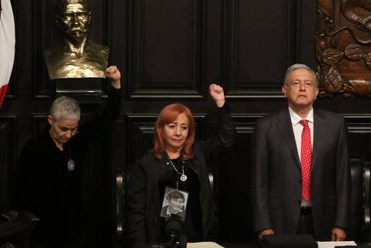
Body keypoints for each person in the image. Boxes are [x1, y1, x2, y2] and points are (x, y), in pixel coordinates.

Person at [12, 66, 121, 248]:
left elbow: (107, 119)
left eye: (73, 129)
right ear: (50, 121)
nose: (69, 134)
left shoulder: (77, 140)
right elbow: (21, 194)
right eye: (63, 129)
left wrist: (116, 84)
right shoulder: (34, 149)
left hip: (76, 229)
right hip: (43, 232)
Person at [126, 84, 237, 248]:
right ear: (161, 130)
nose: (178, 133)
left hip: (199, 237)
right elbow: (136, 215)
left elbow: (227, 141)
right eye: (172, 126)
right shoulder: (145, 165)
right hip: (162, 241)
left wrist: (221, 104)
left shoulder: (198, 152)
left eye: (184, 128)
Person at [251, 64, 350, 241]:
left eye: (308, 83)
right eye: (296, 83)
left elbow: (343, 178)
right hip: (279, 220)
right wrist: (264, 225)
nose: (303, 88)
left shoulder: (335, 124)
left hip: (325, 219)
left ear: (316, 91)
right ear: (284, 90)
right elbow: (259, 180)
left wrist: (340, 223)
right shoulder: (266, 127)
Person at [44, 0, 109, 79]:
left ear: (89, 18)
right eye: (68, 15)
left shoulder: (103, 53)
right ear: (58, 20)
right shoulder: (49, 55)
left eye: (81, 14)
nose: (75, 22)